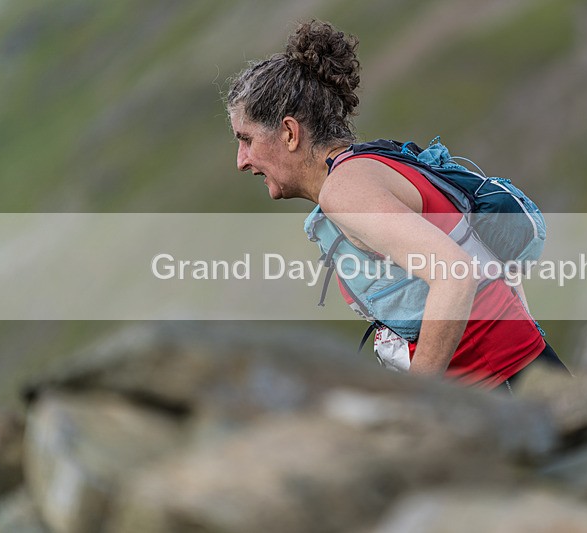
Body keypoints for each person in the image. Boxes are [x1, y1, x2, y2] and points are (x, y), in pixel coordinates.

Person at [226, 20, 567, 392]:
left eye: (247, 139)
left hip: (497, 388)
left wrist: (416, 402)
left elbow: (455, 274)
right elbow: (485, 261)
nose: (241, 160)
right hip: (520, 374)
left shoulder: (346, 189)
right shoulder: (372, 164)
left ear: (290, 133)